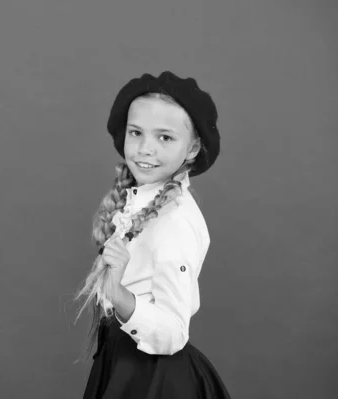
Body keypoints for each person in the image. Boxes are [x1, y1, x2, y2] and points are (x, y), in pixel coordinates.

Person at [76, 71, 231, 398]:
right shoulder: (140, 198)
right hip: (123, 362)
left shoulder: (175, 221)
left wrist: (118, 295)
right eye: (136, 133)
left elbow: (173, 334)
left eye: (165, 137)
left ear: (192, 148)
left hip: (153, 380)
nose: (146, 149)